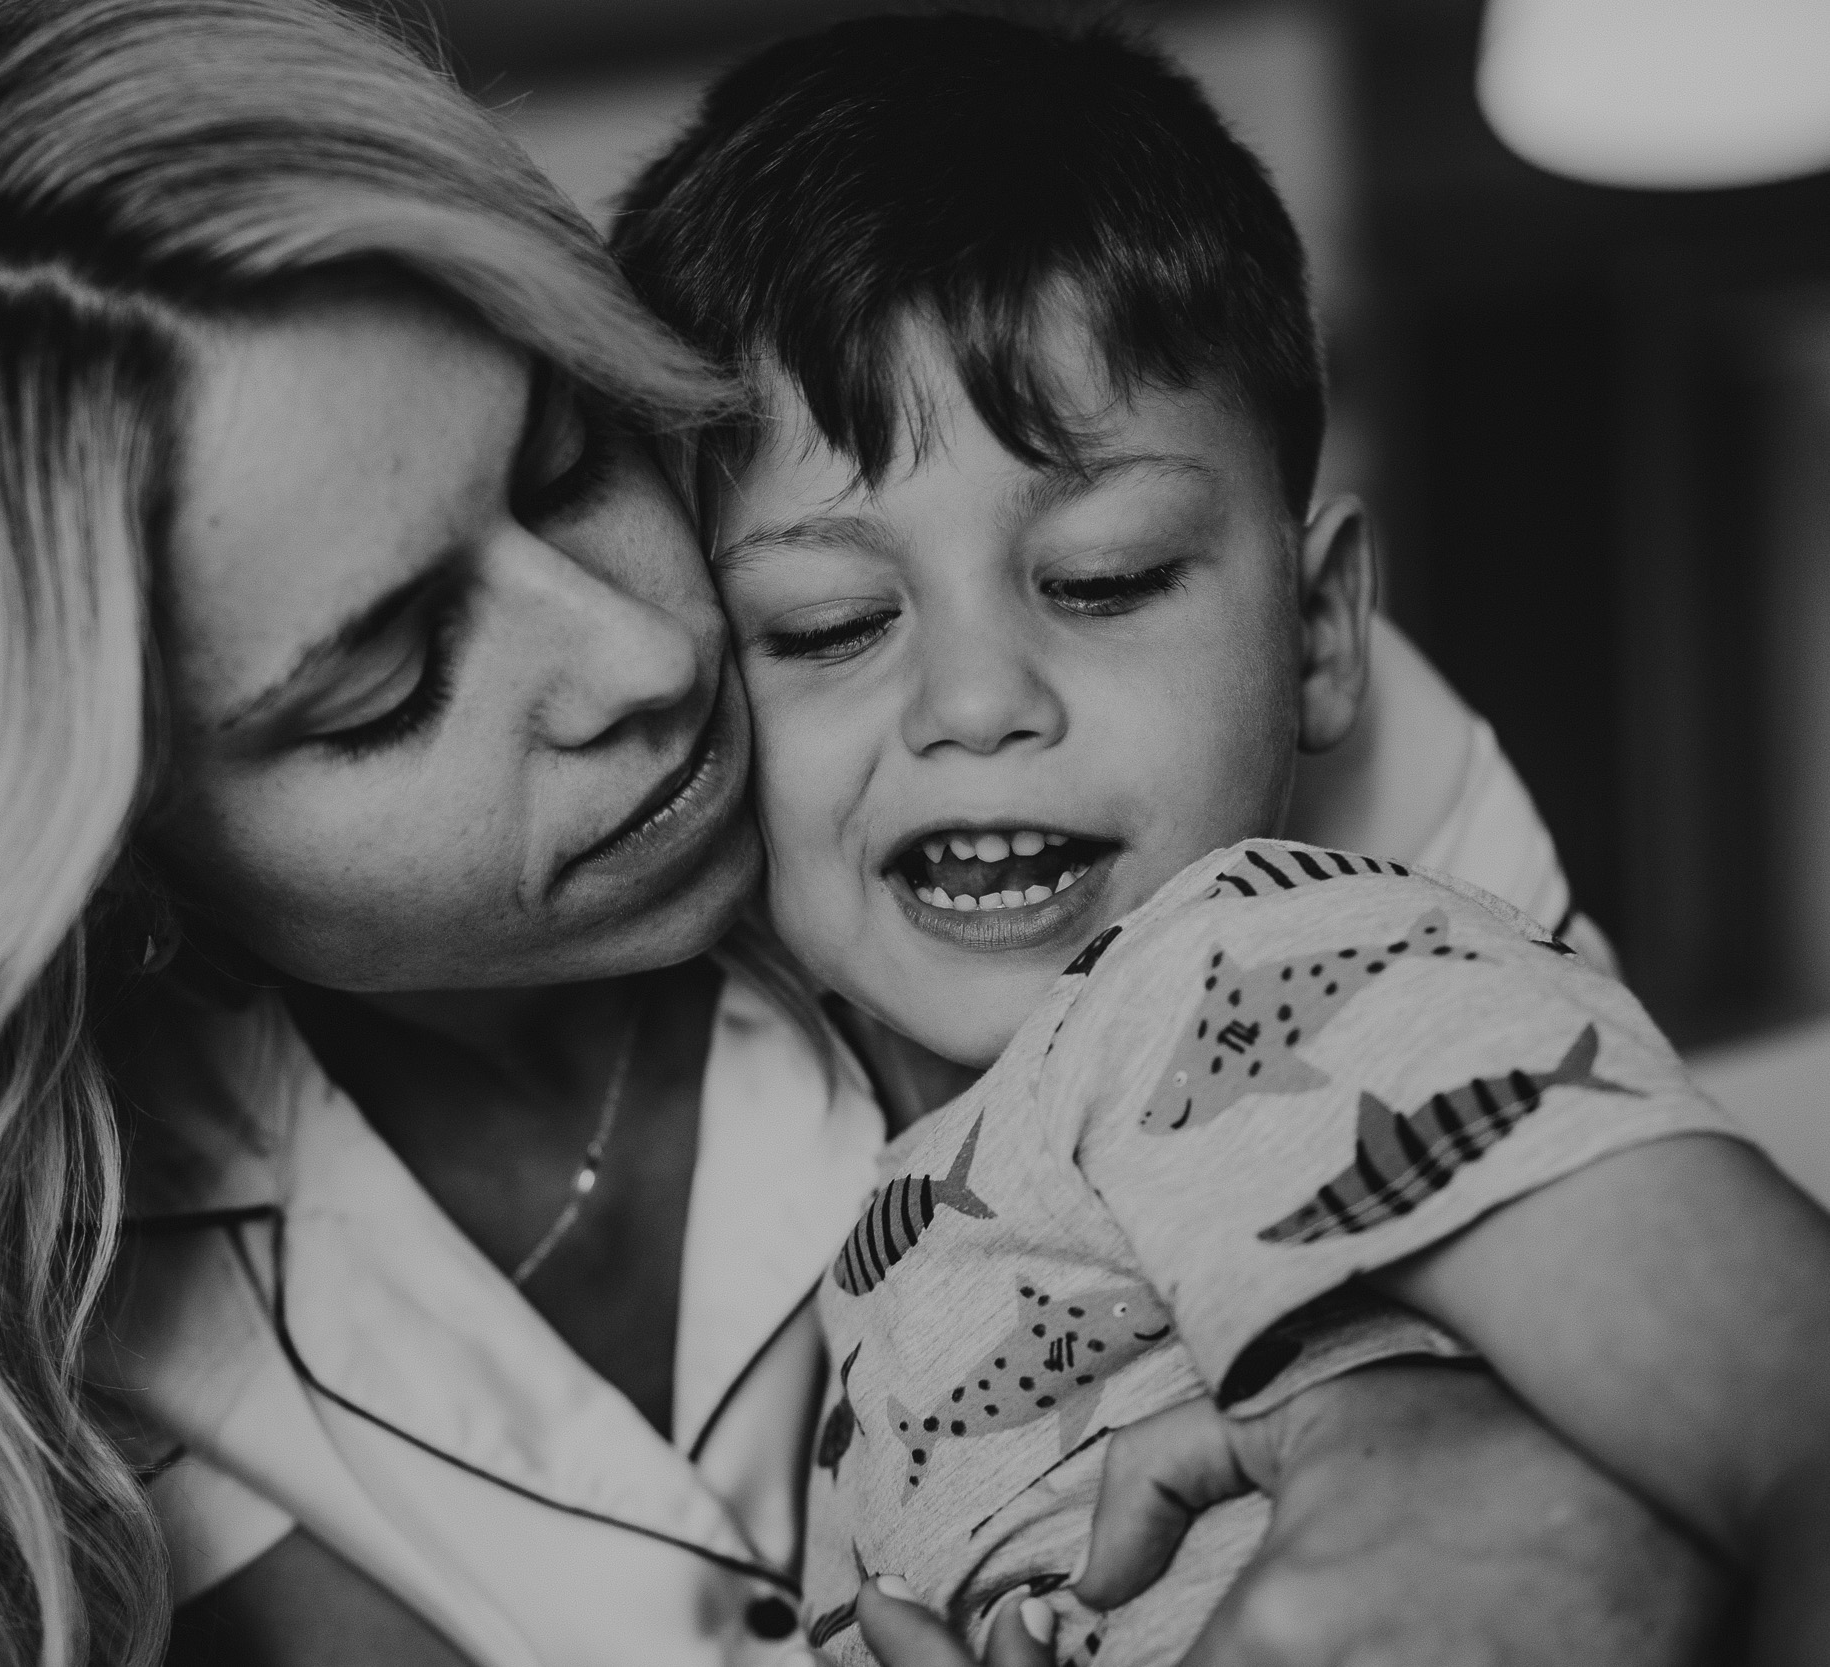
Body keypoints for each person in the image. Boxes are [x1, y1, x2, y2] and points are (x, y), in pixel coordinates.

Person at [0, 4, 1727, 1667]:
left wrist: (1453, 1448)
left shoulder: (1112, 732)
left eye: (562, 463)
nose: (642, 657)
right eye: (386, 678)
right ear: (99, 870)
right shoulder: (41, 1352)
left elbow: (1654, 1365)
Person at [611, 14, 1830, 1667]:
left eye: (1102, 579)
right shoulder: (903, 1196)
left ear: (1321, 631)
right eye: (827, 624)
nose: (975, 701)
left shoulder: (1261, 958)